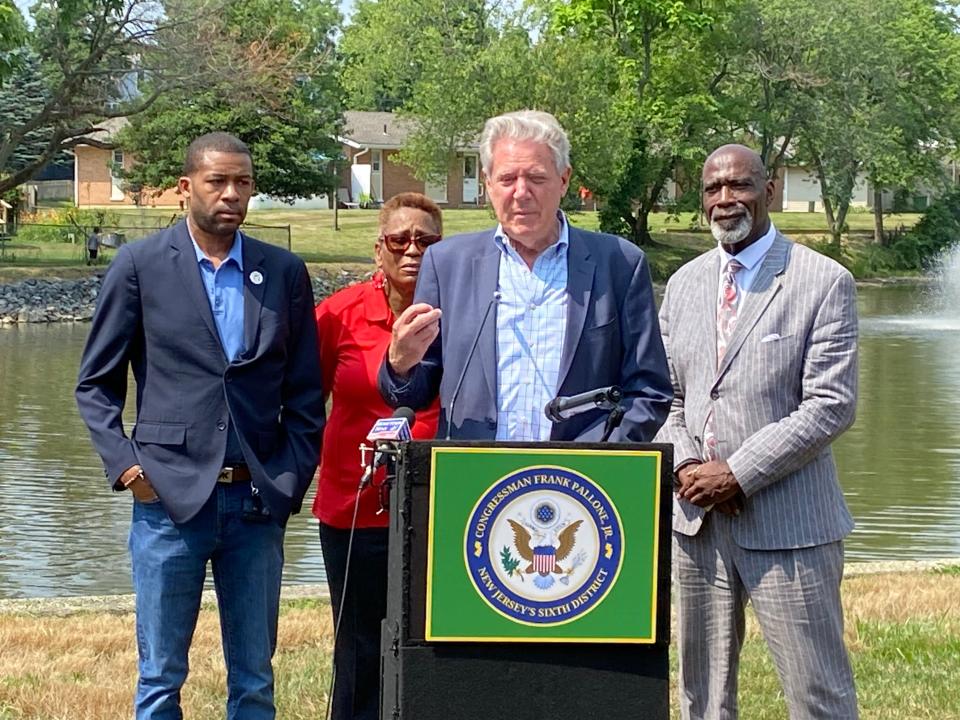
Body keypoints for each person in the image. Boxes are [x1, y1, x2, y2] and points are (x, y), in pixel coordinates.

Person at [75, 132, 325, 720]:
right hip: (167, 502)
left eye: (242, 182)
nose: (231, 194)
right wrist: (128, 468)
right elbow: (95, 384)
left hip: (257, 502)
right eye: (217, 181)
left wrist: (289, 478)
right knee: (160, 679)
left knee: (256, 681)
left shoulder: (283, 271)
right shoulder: (139, 266)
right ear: (187, 187)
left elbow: (306, 393)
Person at [655, 144, 859, 719]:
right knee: (702, 696)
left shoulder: (823, 280)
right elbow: (667, 397)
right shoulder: (684, 284)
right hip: (696, 524)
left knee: (818, 693)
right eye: (713, 189)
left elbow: (830, 406)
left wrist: (739, 473)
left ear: (768, 191)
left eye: (739, 185)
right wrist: (688, 467)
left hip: (791, 522)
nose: (725, 200)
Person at [379, 110, 672, 443]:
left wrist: (599, 458)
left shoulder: (619, 264)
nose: (521, 192)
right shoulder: (447, 264)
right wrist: (400, 363)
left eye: (536, 178)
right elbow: (412, 394)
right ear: (488, 183)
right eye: (507, 179)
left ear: (564, 180)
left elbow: (649, 390)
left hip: (579, 485)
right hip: (475, 480)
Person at [313, 192, 442, 720]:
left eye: (427, 240)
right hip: (355, 508)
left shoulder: (463, 314)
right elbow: (302, 406)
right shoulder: (337, 315)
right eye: (400, 239)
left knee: (434, 645)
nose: (413, 250)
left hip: (442, 506)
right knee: (360, 650)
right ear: (378, 249)